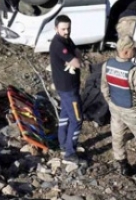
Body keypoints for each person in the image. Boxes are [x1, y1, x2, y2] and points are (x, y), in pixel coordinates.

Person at [101, 35, 136, 182]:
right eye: (134, 48)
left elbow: (104, 87)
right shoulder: (133, 70)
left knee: (117, 136)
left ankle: (123, 165)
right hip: (132, 110)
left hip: (115, 108)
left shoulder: (107, 65)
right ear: (125, 51)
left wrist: (110, 102)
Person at [49, 15, 86, 164]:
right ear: (56, 28)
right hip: (68, 89)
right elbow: (76, 62)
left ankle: (64, 144)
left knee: (65, 115)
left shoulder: (66, 40)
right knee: (77, 119)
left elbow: (77, 52)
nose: (66, 31)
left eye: (68, 28)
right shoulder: (58, 44)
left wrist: (77, 57)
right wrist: (78, 59)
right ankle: (70, 152)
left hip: (66, 87)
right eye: (63, 29)